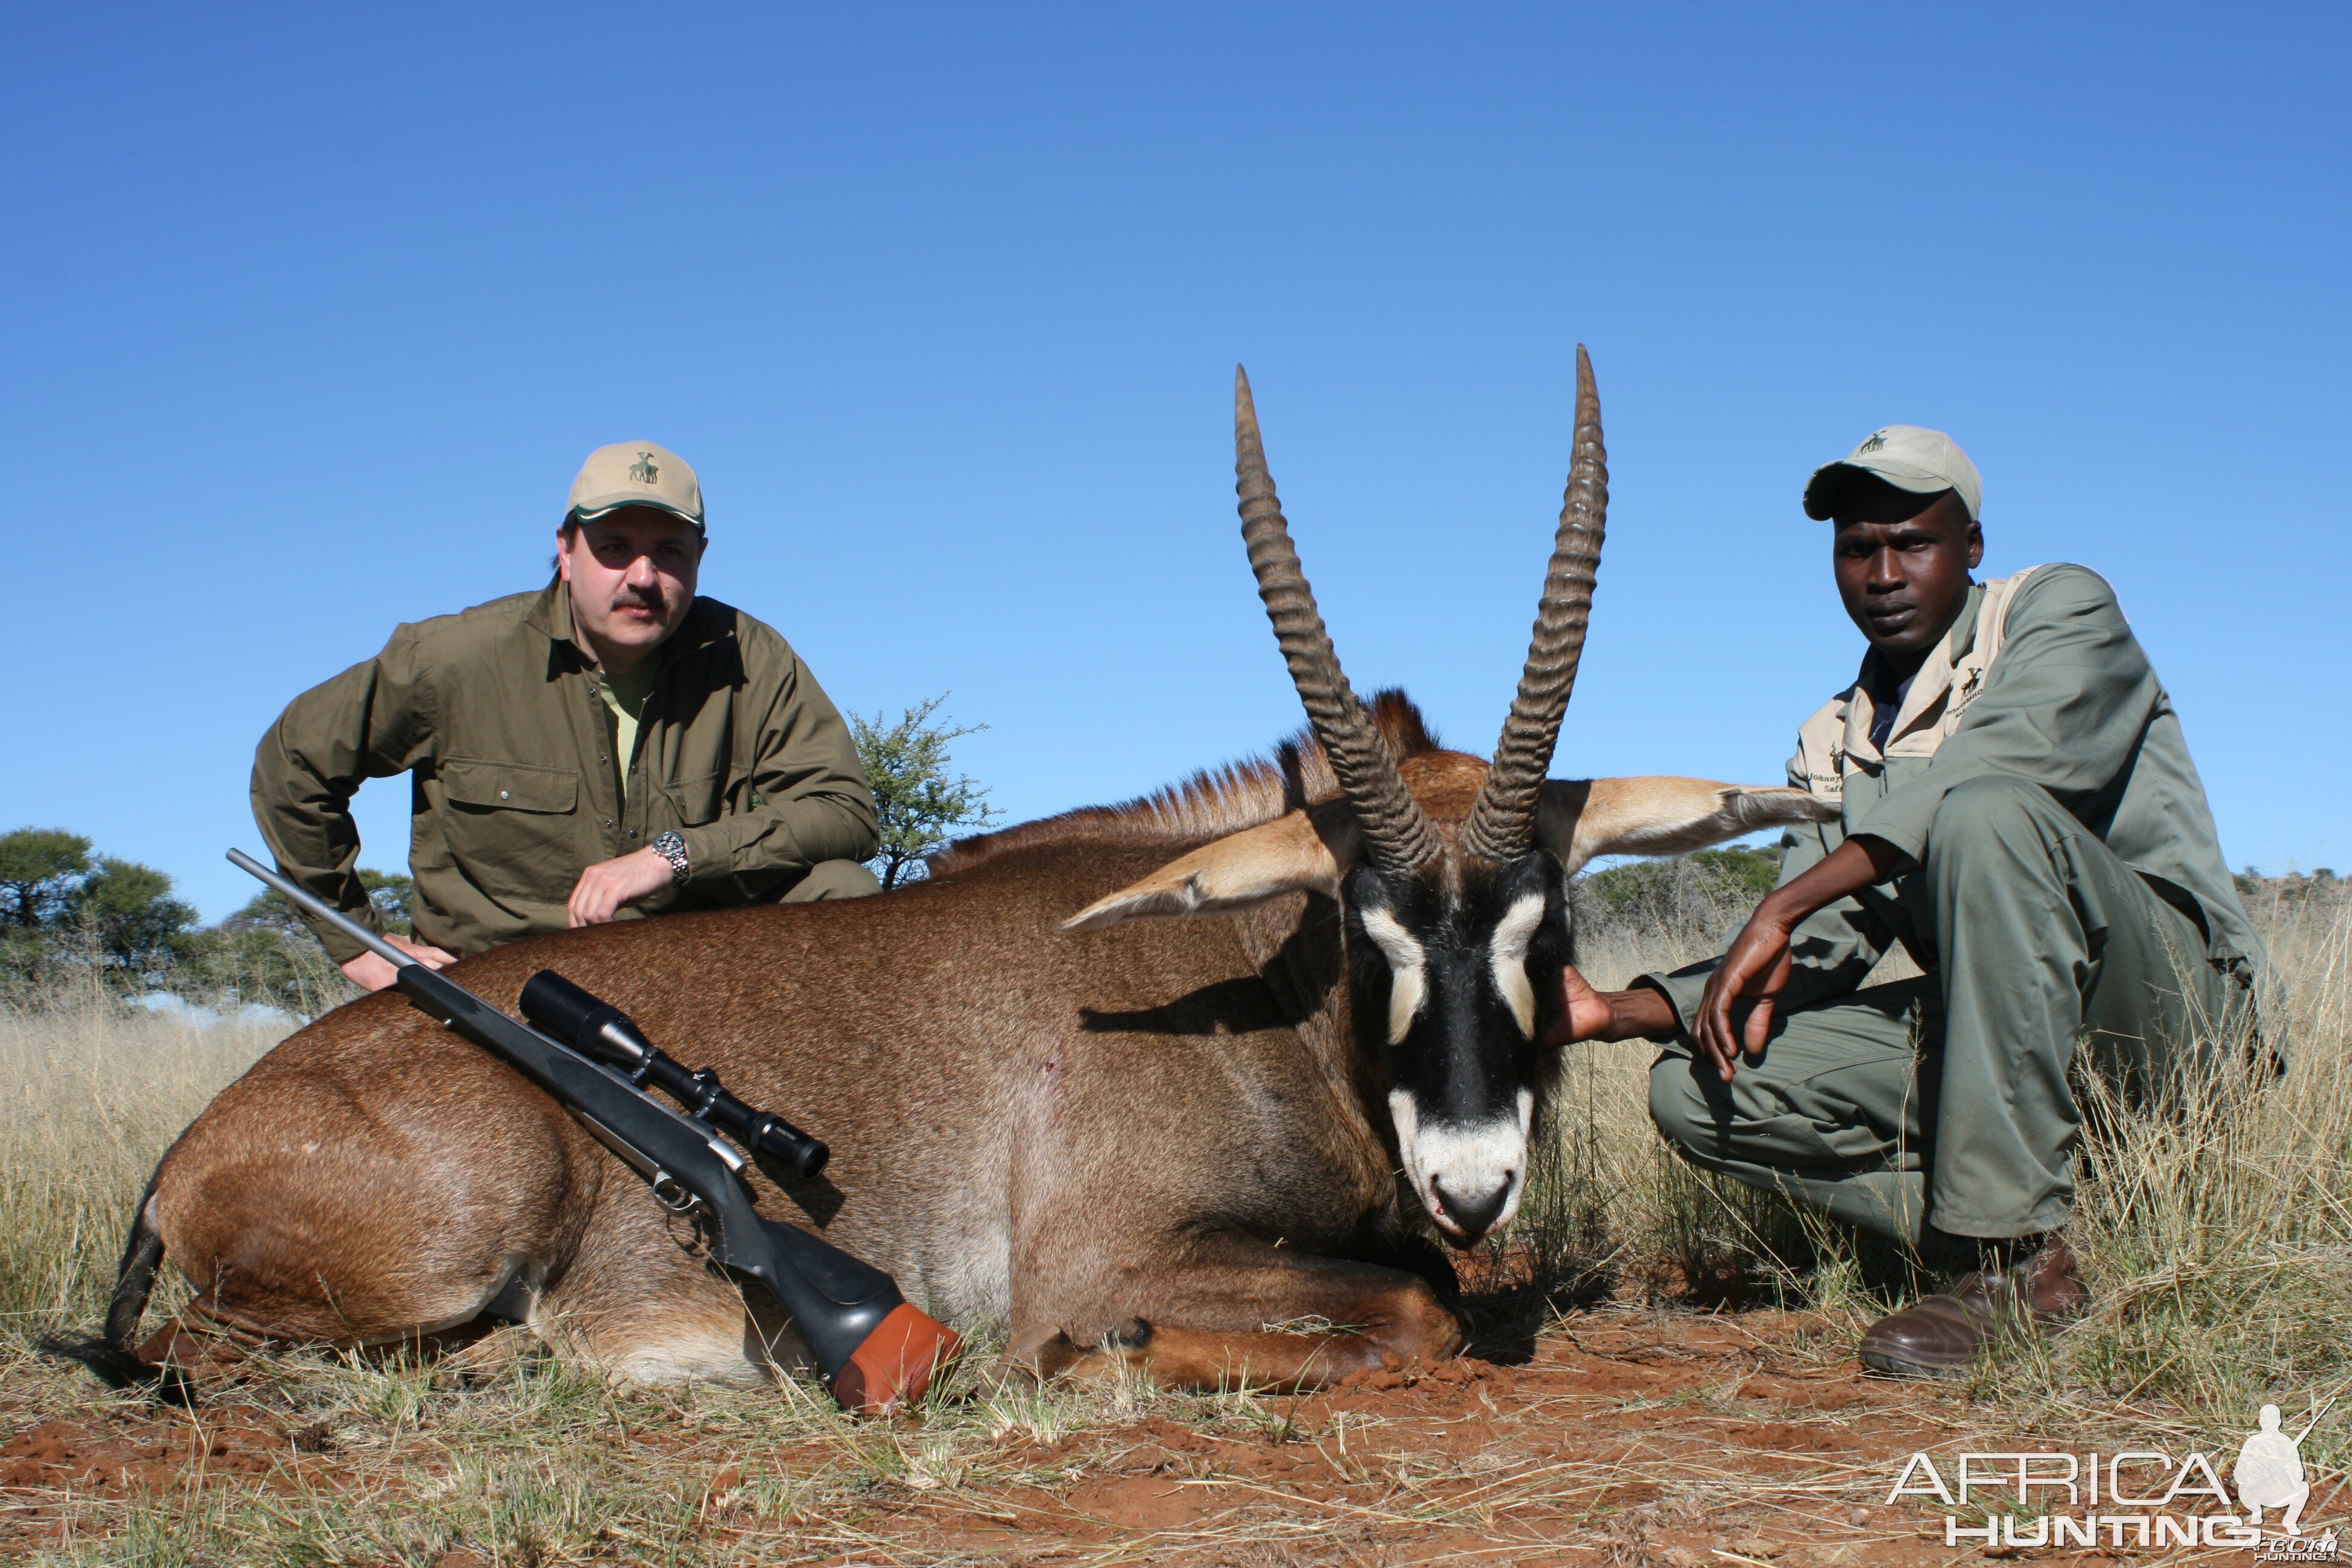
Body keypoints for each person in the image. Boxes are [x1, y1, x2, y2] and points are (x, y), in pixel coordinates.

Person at [1544, 425, 2267, 1377]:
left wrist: (1786, 899)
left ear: (1970, 547)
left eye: (1914, 543)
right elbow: (1830, 943)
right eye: (1857, 548)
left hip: (2177, 1024)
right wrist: (1620, 1010)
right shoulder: (1832, 737)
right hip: (2004, 1036)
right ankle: (2066, 1230)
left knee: (1989, 815)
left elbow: (1991, 777)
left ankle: (2002, 1262)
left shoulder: (2059, 610)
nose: (1883, 573)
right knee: (1697, 1090)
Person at [255, 441, 881, 992]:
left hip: (692, 967)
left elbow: (844, 810)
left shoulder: (752, 656)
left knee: (843, 889)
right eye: (615, 548)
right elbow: (293, 764)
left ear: (700, 555)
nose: (643, 576)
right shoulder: (449, 660)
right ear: (565, 550)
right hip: (507, 979)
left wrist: (673, 855)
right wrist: (361, 948)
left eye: (669, 551)